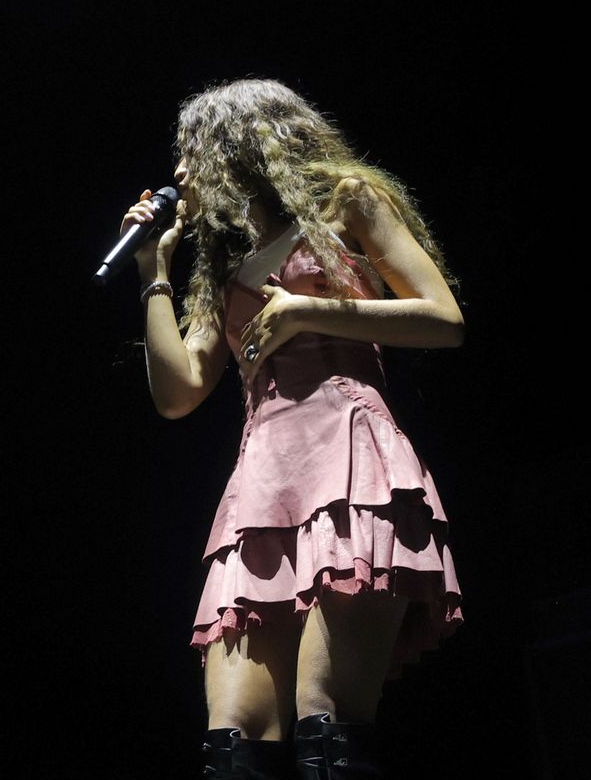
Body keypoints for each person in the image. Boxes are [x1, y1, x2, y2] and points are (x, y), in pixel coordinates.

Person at [121, 78, 465, 779]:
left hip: (349, 461)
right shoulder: (222, 263)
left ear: (240, 141)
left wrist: (309, 311)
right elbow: (180, 393)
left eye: (193, 151)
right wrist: (152, 272)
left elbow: (443, 319)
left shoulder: (346, 200)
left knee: (324, 714)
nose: (180, 172)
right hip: (264, 486)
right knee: (235, 737)